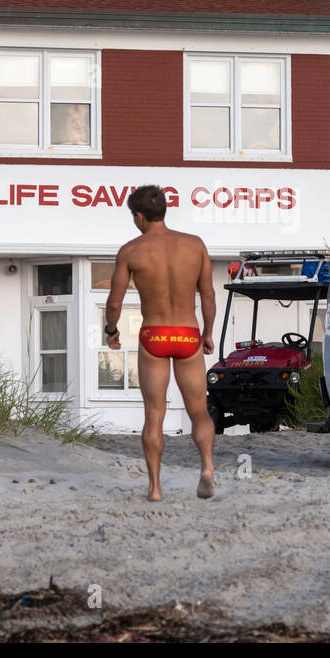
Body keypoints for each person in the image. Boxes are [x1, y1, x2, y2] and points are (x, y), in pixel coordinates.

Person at [105, 185, 216, 502]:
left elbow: (114, 302)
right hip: (187, 334)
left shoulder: (131, 251)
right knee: (199, 411)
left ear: (138, 216)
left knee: (154, 414)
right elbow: (207, 294)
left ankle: (155, 488)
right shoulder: (194, 245)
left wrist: (111, 331)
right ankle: (206, 468)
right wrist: (207, 332)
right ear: (163, 211)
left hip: (155, 335)